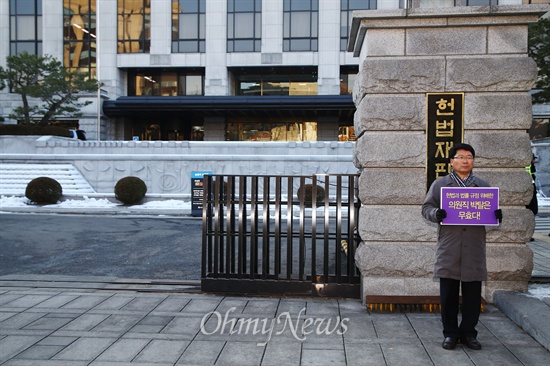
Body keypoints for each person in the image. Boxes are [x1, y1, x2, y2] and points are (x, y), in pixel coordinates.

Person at [422, 143, 502, 351]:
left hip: (474, 247)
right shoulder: (441, 185)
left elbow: (490, 211)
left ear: (473, 161)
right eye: (460, 157)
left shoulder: (484, 186)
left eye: (469, 157)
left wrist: (496, 216)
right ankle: (450, 334)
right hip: (450, 246)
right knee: (448, 294)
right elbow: (426, 208)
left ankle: (469, 333)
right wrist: (435, 214)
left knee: (472, 295)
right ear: (451, 161)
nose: (465, 160)